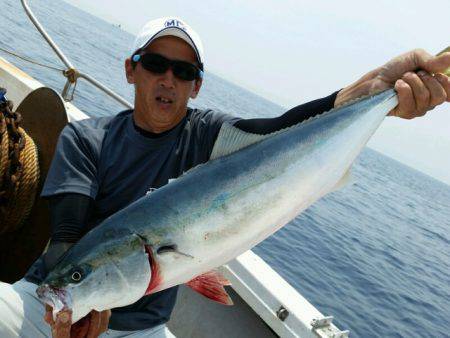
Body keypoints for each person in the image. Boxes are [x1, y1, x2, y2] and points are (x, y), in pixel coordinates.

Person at [0, 16, 449, 338]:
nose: (168, 79)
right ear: (130, 69)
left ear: (196, 85)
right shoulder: (86, 139)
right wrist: (72, 301)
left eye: (184, 71)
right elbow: (67, 239)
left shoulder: (209, 134)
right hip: (45, 310)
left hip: (143, 330)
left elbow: (280, 130)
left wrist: (372, 92)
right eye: (155, 63)